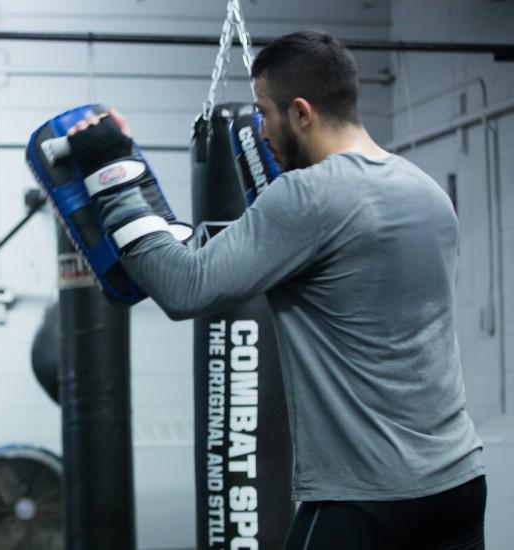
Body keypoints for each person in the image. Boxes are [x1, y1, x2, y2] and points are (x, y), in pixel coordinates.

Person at [65, 30, 486, 549]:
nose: (260, 130)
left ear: (302, 113)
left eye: (265, 112)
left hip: (365, 500)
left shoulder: (308, 196)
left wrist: (113, 171)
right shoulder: (426, 191)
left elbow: (184, 289)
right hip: (458, 485)